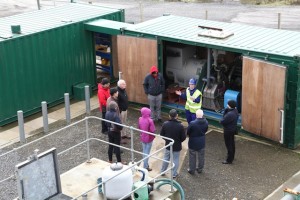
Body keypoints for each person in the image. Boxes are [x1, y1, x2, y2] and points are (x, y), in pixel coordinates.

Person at [160, 109, 186, 178]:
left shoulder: (165, 124)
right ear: (177, 116)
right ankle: (174, 174)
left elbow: (162, 134)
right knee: (175, 160)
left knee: (166, 158)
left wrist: (167, 140)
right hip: (177, 146)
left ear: (169, 116)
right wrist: (179, 141)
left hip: (168, 145)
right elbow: (183, 137)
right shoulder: (180, 126)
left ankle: (162, 171)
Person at [186, 109, 208, 174]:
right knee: (201, 156)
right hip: (202, 141)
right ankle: (200, 169)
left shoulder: (192, 123)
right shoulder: (206, 122)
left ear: (196, 115)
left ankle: (192, 170)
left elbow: (188, 132)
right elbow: (205, 130)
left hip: (193, 141)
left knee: (192, 156)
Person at [220, 100, 239, 164]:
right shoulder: (235, 111)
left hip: (228, 131)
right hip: (233, 129)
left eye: (228, 104)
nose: (227, 105)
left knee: (229, 145)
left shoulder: (230, 114)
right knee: (232, 144)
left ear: (230, 106)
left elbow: (223, 121)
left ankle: (229, 160)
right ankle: (232, 156)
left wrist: (221, 120)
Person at [138, 107, 156, 171]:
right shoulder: (150, 120)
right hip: (149, 138)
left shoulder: (140, 119)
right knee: (147, 152)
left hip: (142, 137)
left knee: (144, 151)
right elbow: (153, 130)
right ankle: (145, 166)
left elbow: (139, 127)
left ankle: (145, 164)